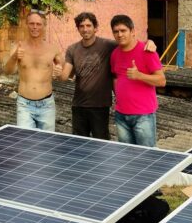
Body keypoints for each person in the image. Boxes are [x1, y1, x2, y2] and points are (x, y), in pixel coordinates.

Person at [57, 12, 157, 140]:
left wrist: (149, 41)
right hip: (78, 105)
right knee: (78, 144)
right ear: (77, 28)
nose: (85, 29)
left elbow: (129, 42)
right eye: (81, 26)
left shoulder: (108, 45)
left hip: (101, 106)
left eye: (88, 25)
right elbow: (64, 76)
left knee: (101, 144)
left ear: (95, 28)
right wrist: (58, 72)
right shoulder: (72, 49)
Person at [109, 14, 165, 147]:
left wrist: (139, 75)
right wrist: (118, 98)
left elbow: (162, 81)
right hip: (121, 115)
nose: (119, 34)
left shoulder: (147, 51)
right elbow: (116, 77)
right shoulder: (115, 54)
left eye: (123, 30)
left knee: (147, 155)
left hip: (143, 115)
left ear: (132, 31)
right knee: (127, 155)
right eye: (116, 31)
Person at [5, 10, 63, 131]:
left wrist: (59, 69)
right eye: (31, 23)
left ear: (44, 26)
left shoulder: (52, 48)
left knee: (47, 140)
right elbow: (7, 71)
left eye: (38, 24)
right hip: (24, 105)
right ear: (26, 25)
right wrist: (15, 56)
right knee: (25, 139)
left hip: (47, 105)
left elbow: (61, 66)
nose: (35, 27)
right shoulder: (18, 47)